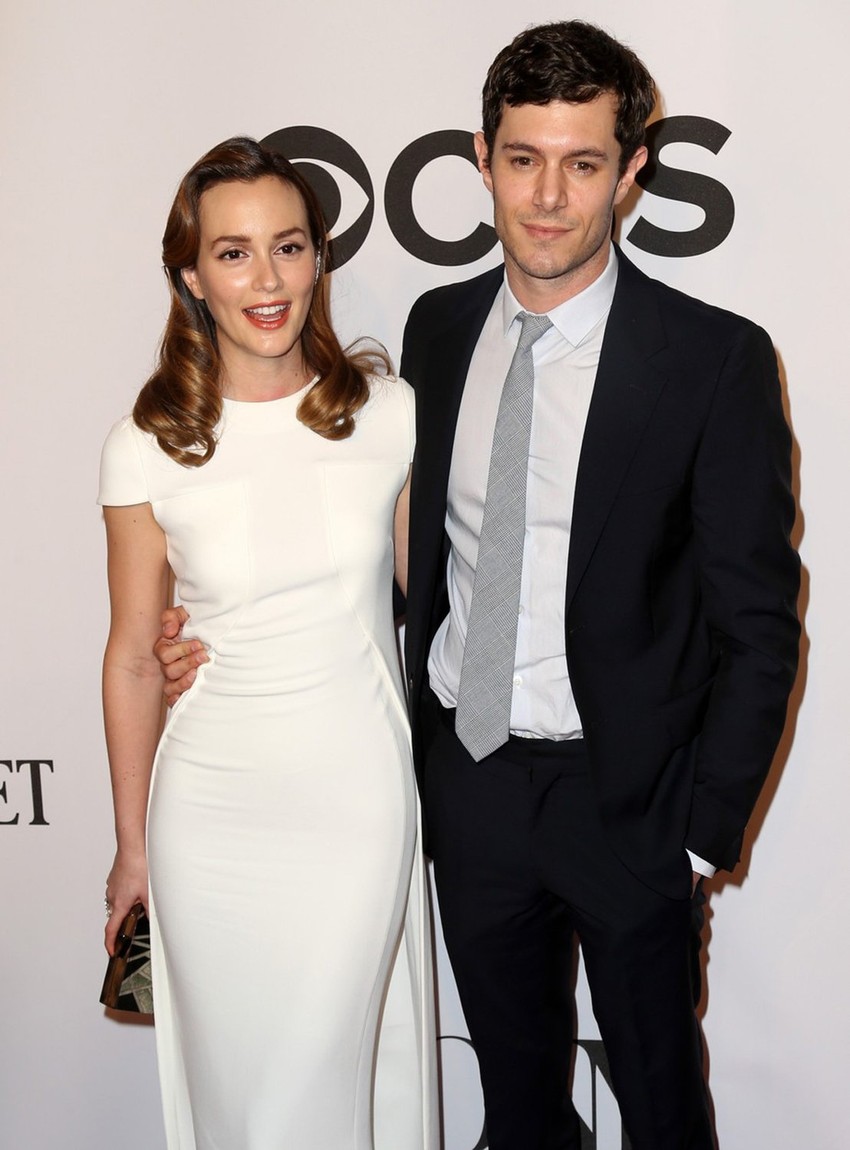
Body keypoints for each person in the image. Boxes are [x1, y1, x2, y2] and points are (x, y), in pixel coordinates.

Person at [158, 22, 800, 1150]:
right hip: (470, 781)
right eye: (522, 159)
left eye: (583, 163)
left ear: (631, 171)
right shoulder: (440, 328)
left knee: (661, 1109)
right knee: (517, 1110)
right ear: (481, 159)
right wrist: (229, 629)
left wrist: (700, 835)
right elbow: (402, 557)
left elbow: (758, 622)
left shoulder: (713, 359)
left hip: (630, 803)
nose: (547, 197)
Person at [99, 137, 436, 1150]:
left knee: (309, 1090)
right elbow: (132, 654)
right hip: (208, 813)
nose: (268, 279)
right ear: (191, 275)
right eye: (234, 253)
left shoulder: (388, 416)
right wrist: (131, 847)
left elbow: (441, 605)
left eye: (288, 247)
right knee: (241, 1097)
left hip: (355, 802)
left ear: (317, 260)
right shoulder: (146, 444)